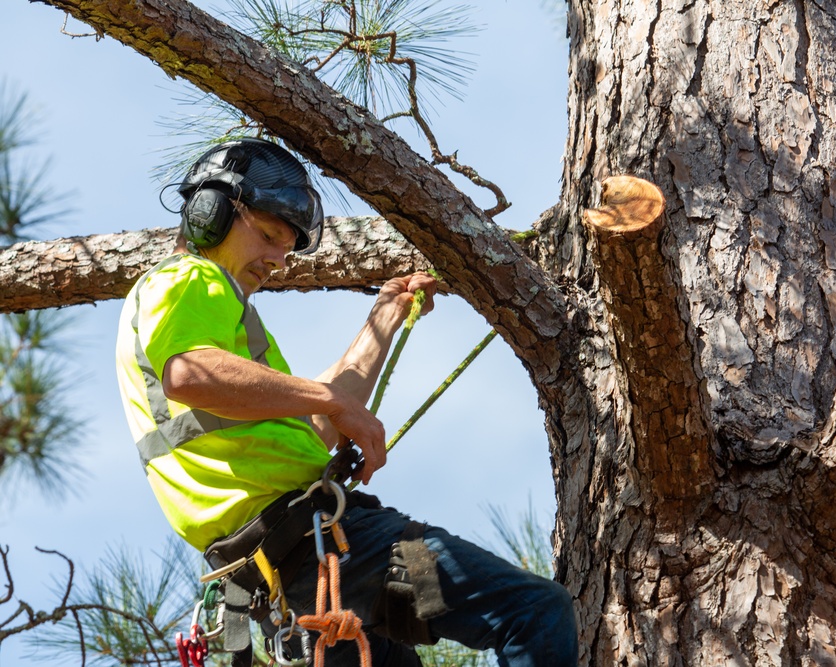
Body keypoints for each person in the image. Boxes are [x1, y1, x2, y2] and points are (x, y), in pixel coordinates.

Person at [114, 137, 577, 666]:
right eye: (267, 236)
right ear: (210, 213)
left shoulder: (219, 335)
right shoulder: (187, 278)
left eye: (284, 248)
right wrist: (334, 400)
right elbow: (189, 375)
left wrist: (384, 319)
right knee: (530, 610)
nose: (275, 260)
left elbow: (315, 427)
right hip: (343, 552)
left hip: (319, 576)